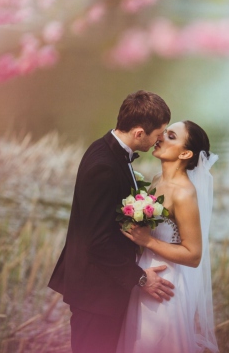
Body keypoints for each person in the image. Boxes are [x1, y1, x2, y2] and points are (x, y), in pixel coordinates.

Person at [48, 90, 174, 353]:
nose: (159, 139)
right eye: (158, 133)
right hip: (96, 292)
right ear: (139, 133)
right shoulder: (104, 166)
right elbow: (98, 243)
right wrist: (141, 279)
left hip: (102, 289)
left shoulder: (105, 147)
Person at [117, 120, 219, 353]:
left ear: (185, 153)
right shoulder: (156, 180)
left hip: (164, 285)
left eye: (171, 136)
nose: (161, 137)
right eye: (164, 132)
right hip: (144, 275)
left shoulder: (184, 193)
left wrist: (148, 241)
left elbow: (193, 255)